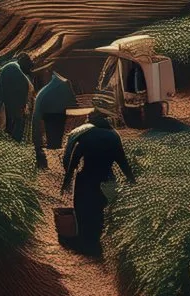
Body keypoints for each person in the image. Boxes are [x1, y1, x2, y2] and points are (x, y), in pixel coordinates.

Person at [61, 111, 135, 250]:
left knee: (82, 210)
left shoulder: (86, 135)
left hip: (86, 177)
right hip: (105, 177)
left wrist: (67, 179)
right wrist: (132, 180)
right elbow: (123, 163)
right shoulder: (114, 137)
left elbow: (74, 160)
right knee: (101, 210)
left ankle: (84, 238)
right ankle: (99, 239)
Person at [31, 69, 78, 169]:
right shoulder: (59, 86)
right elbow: (73, 102)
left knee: (54, 138)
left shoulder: (49, 89)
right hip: (55, 115)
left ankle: (52, 153)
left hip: (53, 115)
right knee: (55, 138)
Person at [0, 53, 34, 143]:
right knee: (17, 119)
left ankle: (10, 139)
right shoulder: (14, 69)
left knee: (11, 119)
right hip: (5, 96)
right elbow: (25, 89)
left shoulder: (14, 67)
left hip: (3, 96)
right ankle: (15, 141)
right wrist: (24, 107)